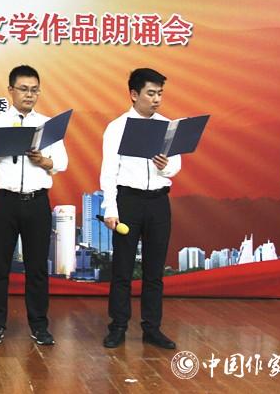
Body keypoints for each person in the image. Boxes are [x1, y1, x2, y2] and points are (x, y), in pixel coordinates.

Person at [0, 65, 68, 346]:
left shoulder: (48, 125)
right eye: (23, 89)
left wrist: (43, 161)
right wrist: (4, 146)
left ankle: (39, 326)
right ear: (10, 90)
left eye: (34, 90)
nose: (29, 95)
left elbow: (61, 163)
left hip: (37, 202)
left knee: (37, 269)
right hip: (4, 202)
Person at [100, 68, 181, 350]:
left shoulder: (168, 126)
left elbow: (176, 166)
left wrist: (165, 166)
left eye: (160, 93)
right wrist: (110, 208)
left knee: (154, 270)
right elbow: (109, 172)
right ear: (134, 95)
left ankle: (152, 328)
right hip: (129, 201)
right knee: (122, 269)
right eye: (151, 93)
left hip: (159, 201)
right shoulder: (117, 127)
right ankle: (118, 327)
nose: (157, 99)